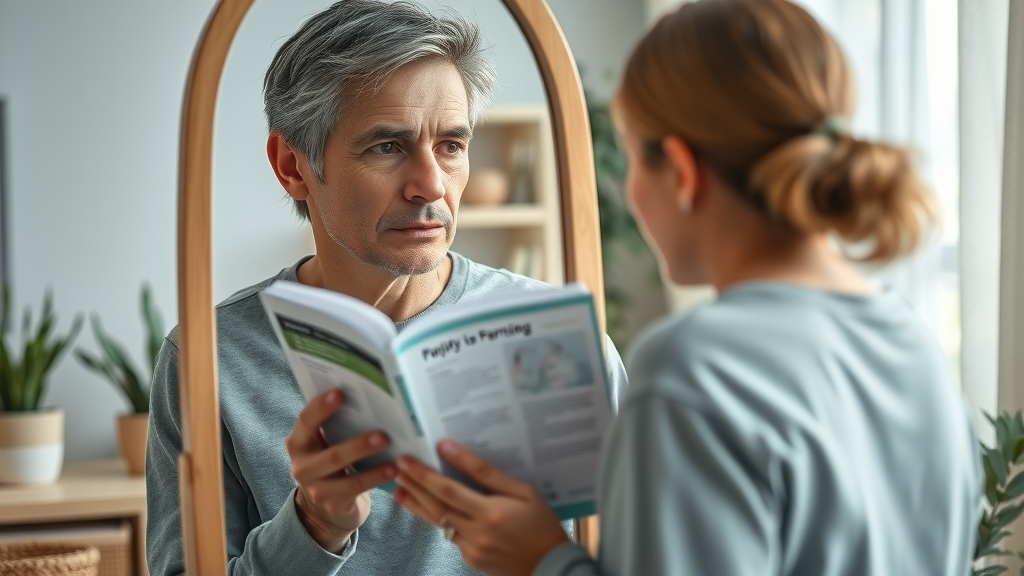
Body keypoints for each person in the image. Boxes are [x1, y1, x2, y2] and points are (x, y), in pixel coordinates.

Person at [390, 1, 983, 575]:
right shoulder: (914, 341)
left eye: (631, 162)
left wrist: (542, 559)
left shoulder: (696, 368)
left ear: (681, 170)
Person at [144, 1, 628, 575]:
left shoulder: (555, 337)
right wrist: (313, 526)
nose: (431, 186)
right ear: (293, 166)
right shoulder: (210, 360)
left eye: (451, 145)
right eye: (387, 147)